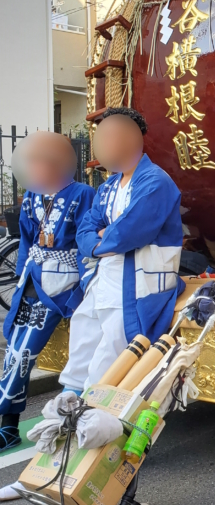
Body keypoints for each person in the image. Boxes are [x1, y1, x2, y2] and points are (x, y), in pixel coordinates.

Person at [59, 108, 184, 394]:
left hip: (138, 281)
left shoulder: (155, 181)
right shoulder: (109, 186)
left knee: (112, 348)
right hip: (103, 276)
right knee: (83, 333)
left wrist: (101, 239)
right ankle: (69, 402)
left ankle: (91, 416)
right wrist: (98, 240)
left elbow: (129, 231)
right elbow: (86, 228)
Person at [0, 134, 94, 451]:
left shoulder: (83, 194)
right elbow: (26, 238)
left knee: (24, 350)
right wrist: (22, 270)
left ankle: (8, 423)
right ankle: (8, 424)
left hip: (63, 285)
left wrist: (86, 285)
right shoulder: (31, 195)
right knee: (15, 349)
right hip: (32, 280)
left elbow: (86, 242)